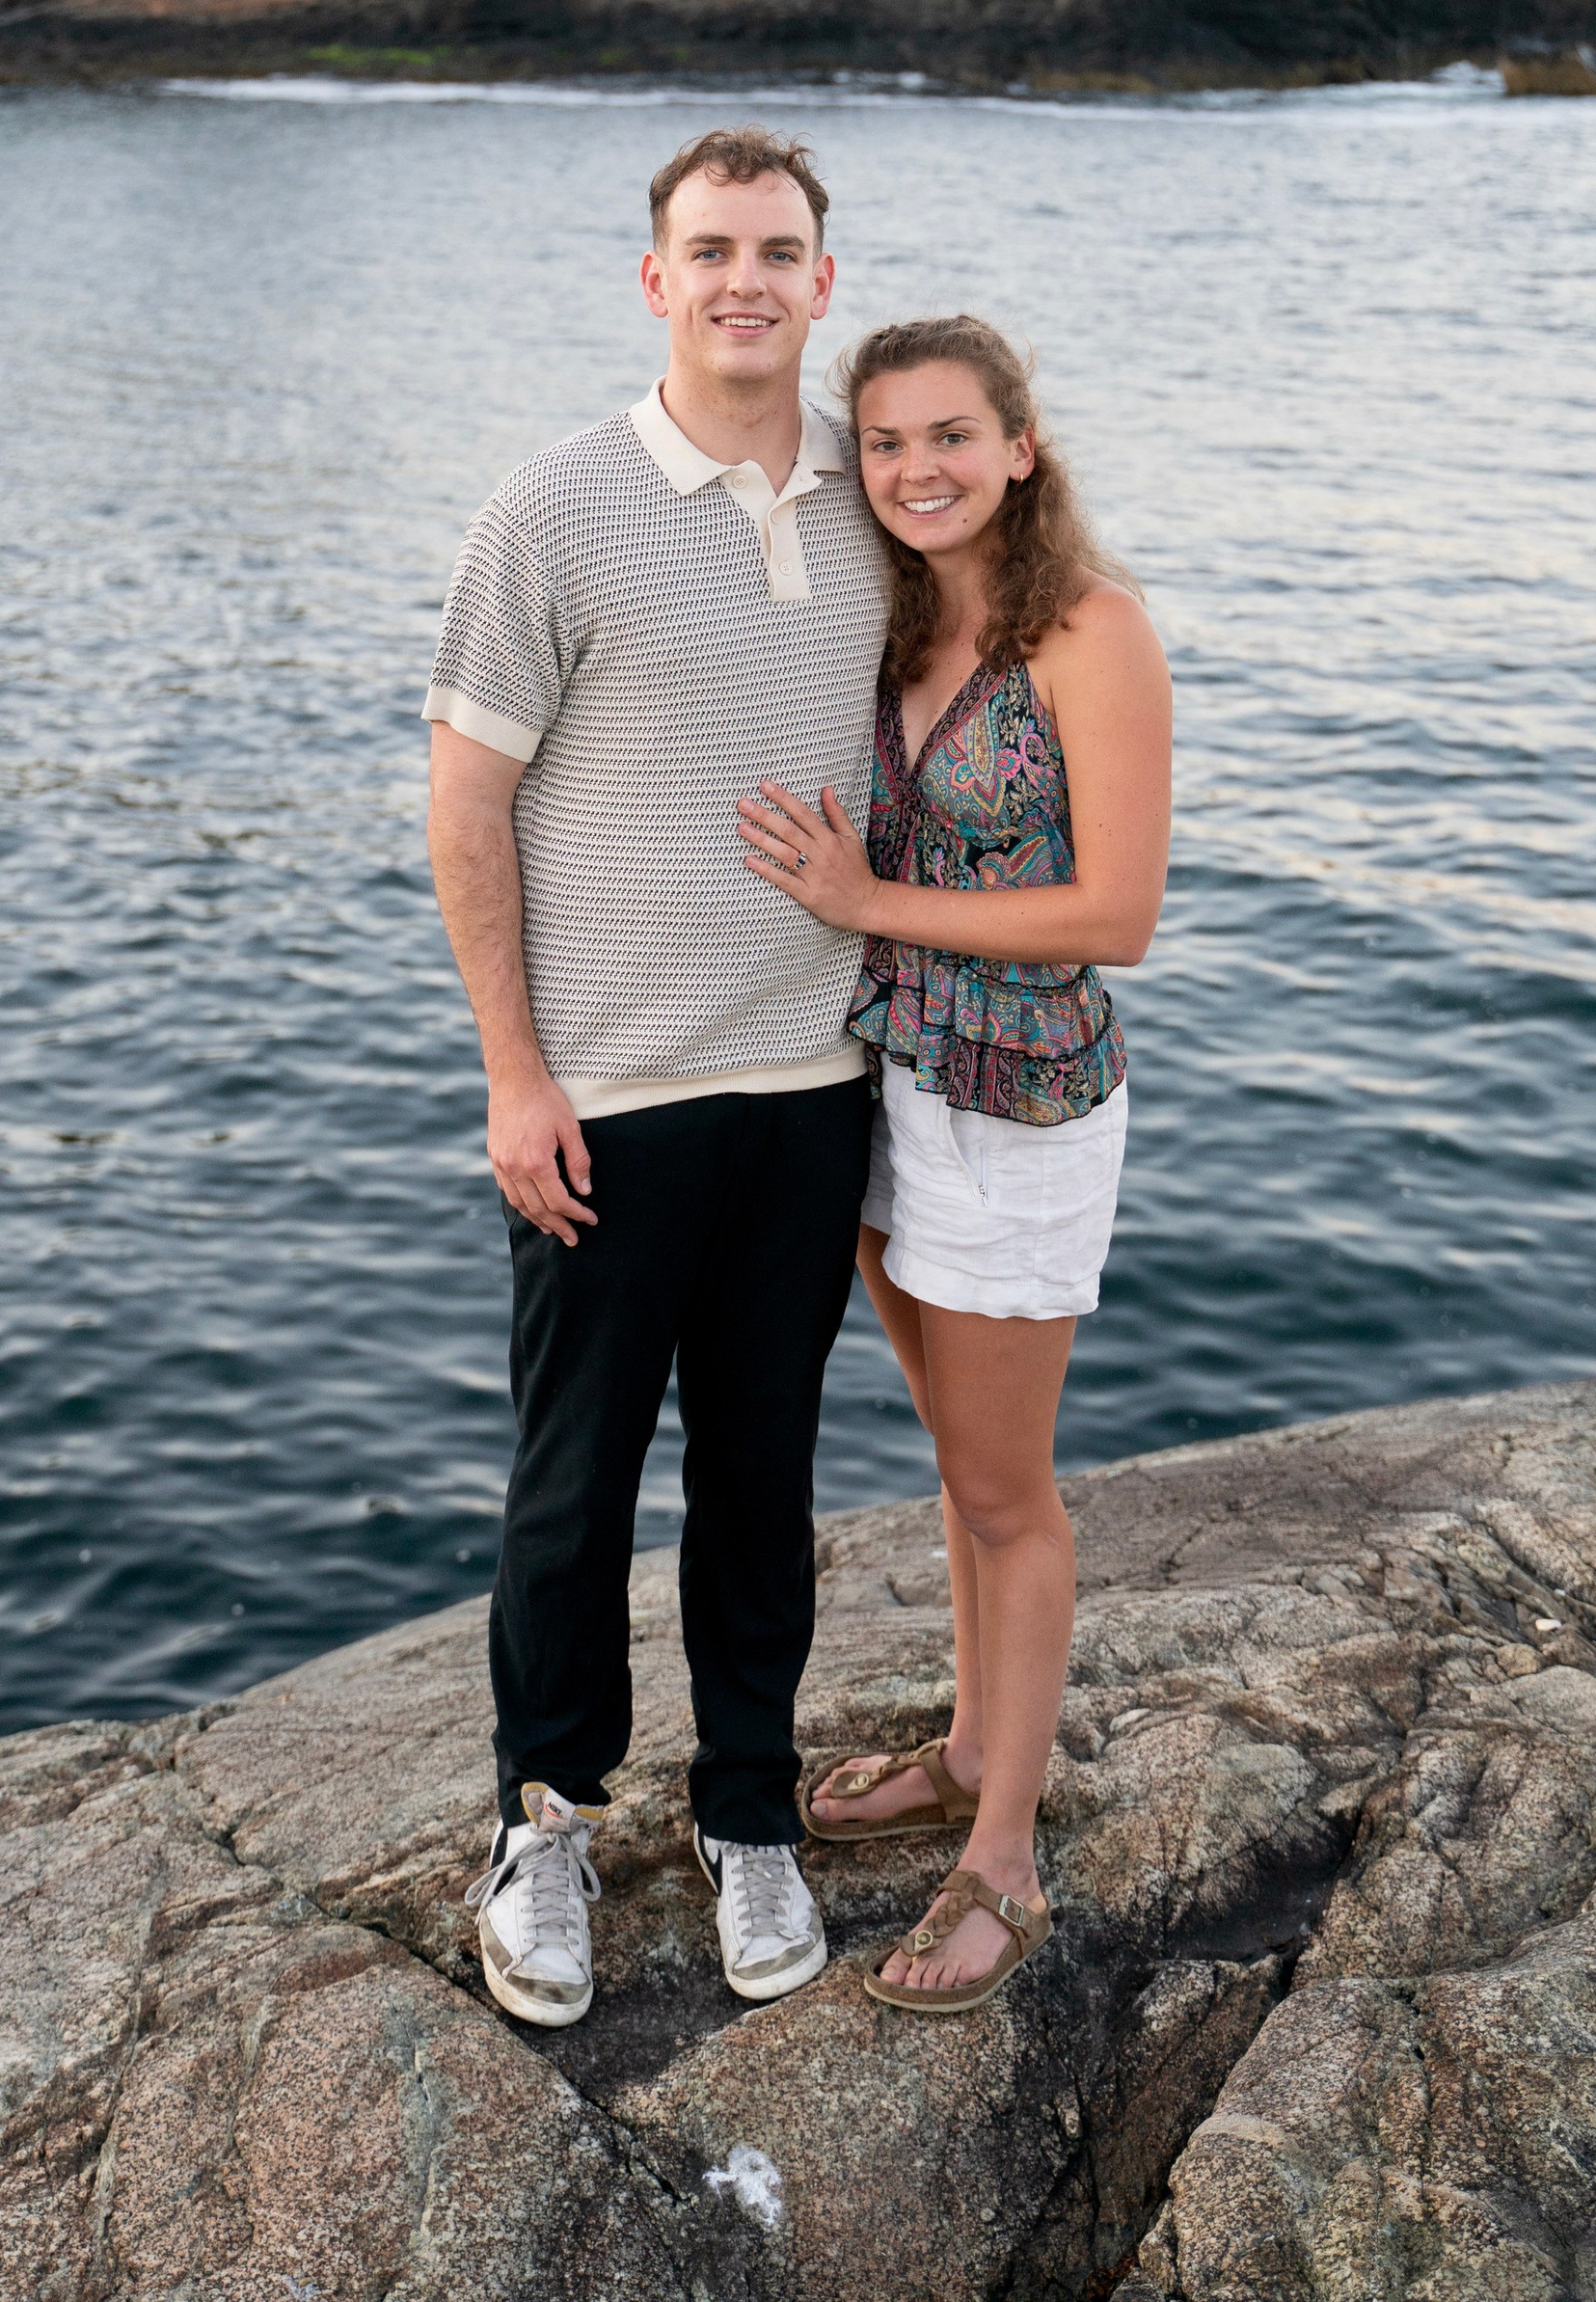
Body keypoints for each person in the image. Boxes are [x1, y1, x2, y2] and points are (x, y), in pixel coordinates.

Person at [423, 127, 890, 2030]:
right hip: (605, 1098)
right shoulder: (552, 507)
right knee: (575, 1482)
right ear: (655, 278)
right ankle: (544, 1819)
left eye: (775, 250)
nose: (742, 281)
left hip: (812, 1081)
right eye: (710, 250)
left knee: (763, 1476)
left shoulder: (877, 496)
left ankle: (750, 1810)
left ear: (821, 281)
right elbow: (466, 806)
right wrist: (513, 1072)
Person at [738, 314, 1171, 2015]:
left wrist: (868, 902)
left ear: (1019, 446)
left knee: (1009, 1491)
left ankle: (1006, 1857)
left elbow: (1116, 914)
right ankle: (975, 1744)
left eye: (950, 436)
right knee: (957, 1463)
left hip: (1019, 1104)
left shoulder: (1091, 631)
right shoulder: (898, 617)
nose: (916, 468)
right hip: (893, 1082)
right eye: (885, 441)